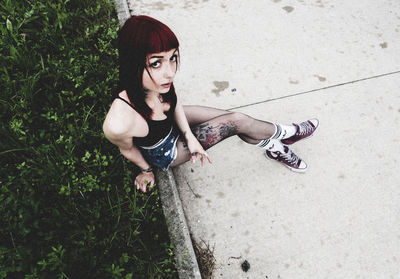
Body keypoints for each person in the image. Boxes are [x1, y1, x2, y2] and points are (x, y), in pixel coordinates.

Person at [103, 15, 319, 193]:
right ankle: (288, 132)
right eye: (156, 62)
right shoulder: (120, 121)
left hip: (173, 125)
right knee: (236, 121)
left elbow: (174, 102)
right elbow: (128, 149)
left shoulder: (159, 80)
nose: (170, 72)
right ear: (133, 64)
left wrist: (189, 136)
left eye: (172, 58)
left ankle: (275, 145)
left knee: (236, 121)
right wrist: (146, 170)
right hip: (168, 151)